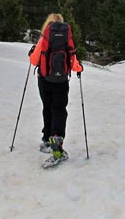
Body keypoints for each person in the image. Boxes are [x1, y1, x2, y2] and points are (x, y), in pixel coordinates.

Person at [28, 13, 83, 163]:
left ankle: (47, 138)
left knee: (47, 107)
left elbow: (34, 61)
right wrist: (79, 68)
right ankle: (57, 138)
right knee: (59, 109)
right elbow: (73, 61)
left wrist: (31, 53)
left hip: (44, 79)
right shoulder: (66, 39)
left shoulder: (43, 39)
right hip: (61, 81)